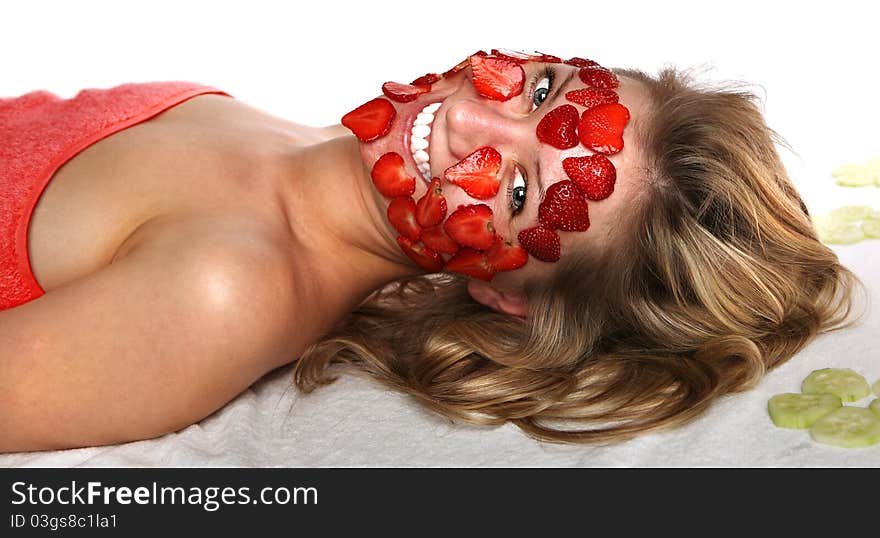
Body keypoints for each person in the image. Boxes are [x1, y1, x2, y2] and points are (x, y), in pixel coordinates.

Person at [0, 49, 862, 453]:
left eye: (518, 191)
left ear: (508, 296)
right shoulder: (305, 139)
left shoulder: (224, 292)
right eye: (540, 90)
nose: (467, 119)